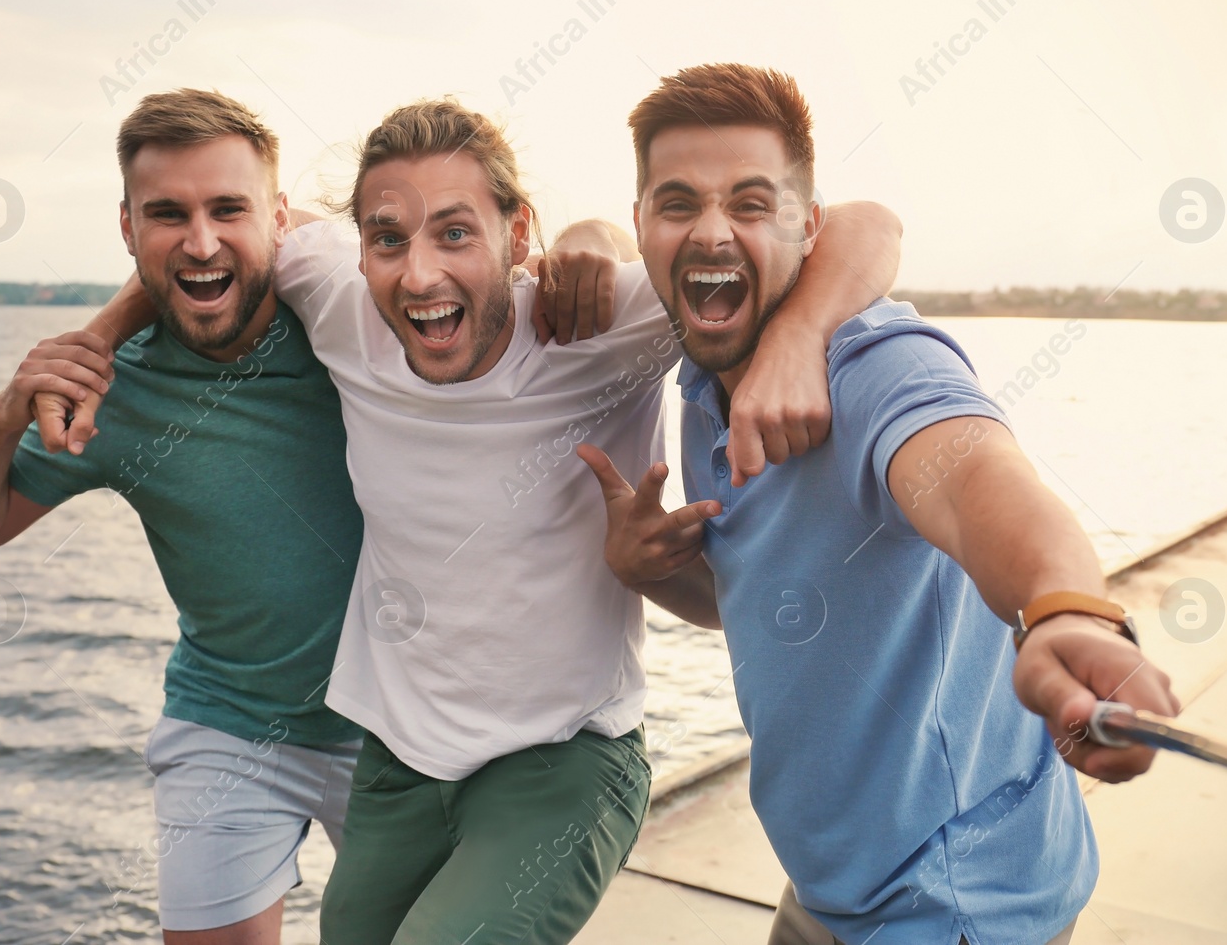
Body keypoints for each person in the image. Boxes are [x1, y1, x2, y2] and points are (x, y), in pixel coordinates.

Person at [61, 94, 903, 943]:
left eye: (456, 232)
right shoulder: (335, 292)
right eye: (388, 238)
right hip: (401, 762)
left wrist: (795, 338)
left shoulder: (604, 321)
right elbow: (212, 245)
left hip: (565, 762)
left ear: (519, 232)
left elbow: (870, 226)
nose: (419, 273)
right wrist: (98, 339)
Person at [0, 88, 613, 943]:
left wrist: (595, 237)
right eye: (166, 214)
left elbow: (426, 262)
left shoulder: (351, 321)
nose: (201, 238)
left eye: (228, 208)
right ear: (128, 227)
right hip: (229, 722)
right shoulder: (113, 391)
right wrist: (7, 409)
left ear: (279, 220)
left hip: (404, 729)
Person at [580, 63, 1180, 945]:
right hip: (834, 890)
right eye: (678, 204)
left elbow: (984, 486)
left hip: (957, 905)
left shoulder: (881, 366)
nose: (712, 231)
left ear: (807, 225)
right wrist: (642, 572)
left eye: (751, 203)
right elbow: (764, 603)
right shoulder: (703, 385)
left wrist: (1065, 610)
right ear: (643, 225)